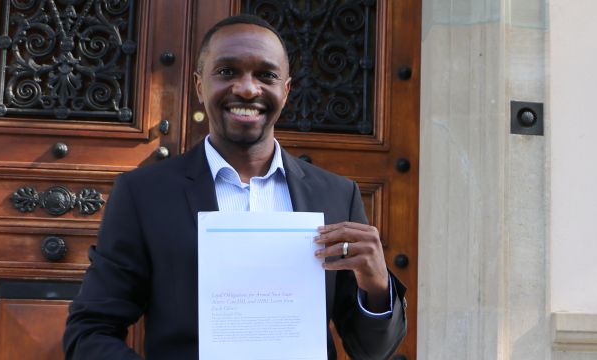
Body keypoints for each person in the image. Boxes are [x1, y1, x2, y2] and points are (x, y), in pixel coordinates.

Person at [62, 14, 406, 359]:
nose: (246, 88)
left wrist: (376, 286)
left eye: (266, 75)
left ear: (285, 91)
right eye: (227, 72)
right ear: (199, 86)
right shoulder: (144, 195)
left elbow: (372, 351)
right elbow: (90, 331)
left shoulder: (336, 195)